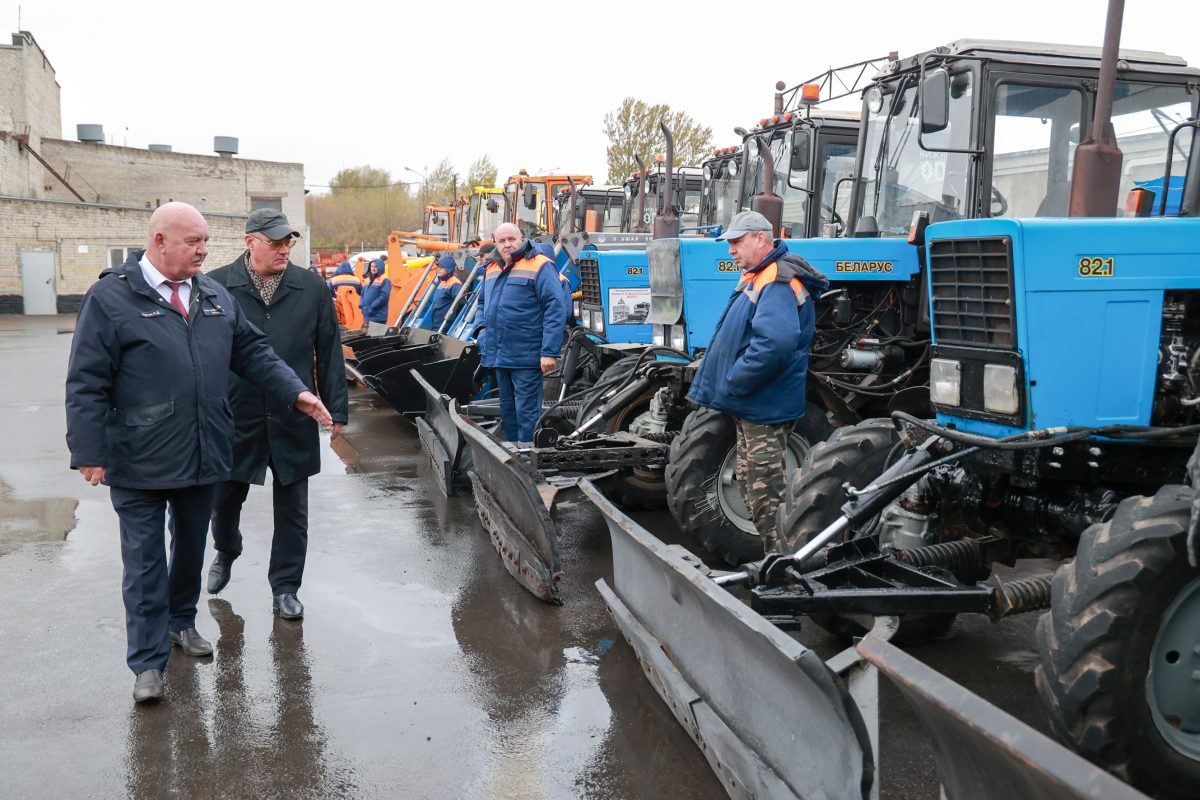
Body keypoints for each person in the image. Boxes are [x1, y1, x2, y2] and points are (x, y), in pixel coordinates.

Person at [65, 202, 333, 704]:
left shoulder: (213, 296)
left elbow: (254, 353)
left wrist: (296, 392)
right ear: (160, 241)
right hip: (140, 456)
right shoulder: (111, 297)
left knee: (189, 549)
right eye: (194, 242)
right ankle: (147, 664)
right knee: (145, 563)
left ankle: (182, 623)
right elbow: (86, 381)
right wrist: (88, 450)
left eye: (207, 241)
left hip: (206, 450)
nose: (205, 251)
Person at [204, 209, 349, 622]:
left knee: (293, 510)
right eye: (275, 242)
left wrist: (336, 409)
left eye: (288, 242)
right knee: (224, 500)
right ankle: (227, 548)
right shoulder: (215, 285)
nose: (285, 249)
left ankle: (285, 587)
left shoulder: (312, 287)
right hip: (236, 412)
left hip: (293, 413)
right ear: (250, 242)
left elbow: (329, 351)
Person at [685, 210, 829, 552]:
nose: (731, 250)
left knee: (766, 494)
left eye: (737, 242)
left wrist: (735, 381)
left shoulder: (776, 279)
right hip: (753, 404)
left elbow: (774, 344)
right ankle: (777, 560)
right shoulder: (759, 275)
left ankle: (789, 568)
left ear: (760, 238)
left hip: (764, 404)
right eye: (729, 243)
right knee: (751, 484)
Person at [475, 223, 568, 443]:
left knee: (526, 412)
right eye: (502, 241)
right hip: (498, 353)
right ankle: (513, 453)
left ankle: (528, 456)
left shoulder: (540, 265)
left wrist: (549, 352)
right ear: (495, 242)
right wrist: (481, 331)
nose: (507, 244)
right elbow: (482, 304)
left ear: (521, 238)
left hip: (526, 354)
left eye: (511, 239)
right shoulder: (491, 267)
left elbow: (555, 309)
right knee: (507, 409)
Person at [428, 255, 462, 331]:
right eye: (438, 267)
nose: (438, 269)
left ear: (448, 269)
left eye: (441, 267)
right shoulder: (442, 283)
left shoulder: (455, 284)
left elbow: (461, 304)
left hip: (445, 327)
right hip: (436, 326)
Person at [328, 261, 364, 330]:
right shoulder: (356, 280)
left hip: (339, 309)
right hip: (353, 308)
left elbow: (329, 295)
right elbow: (361, 294)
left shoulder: (333, 280)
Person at [359, 258, 391, 329]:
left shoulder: (385, 280)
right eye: (372, 266)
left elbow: (383, 297)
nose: (373, 268)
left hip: (378, 316)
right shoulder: (367, 280)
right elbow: (362, 294)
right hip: (367, 315)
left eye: (375, 267)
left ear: (380, 268)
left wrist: (372, 307)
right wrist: (361, 305)